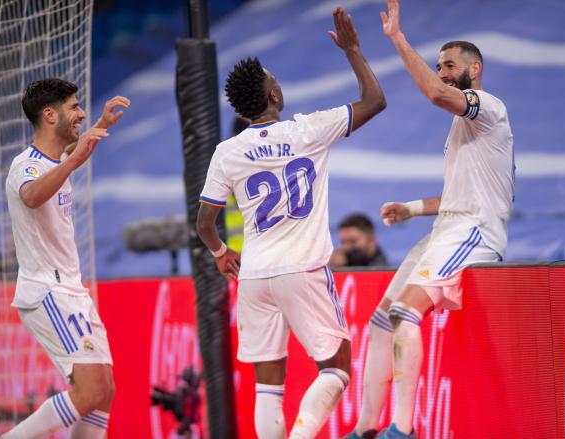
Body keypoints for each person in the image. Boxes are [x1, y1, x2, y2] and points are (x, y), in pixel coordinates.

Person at [196, 7, 386, 439]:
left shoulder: (227, 151)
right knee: (336, 368)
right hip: (301, 267)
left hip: (255, 275)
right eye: (276, 83)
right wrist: (354, 50)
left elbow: (205, 222)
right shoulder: (308, 130)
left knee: (268, 387)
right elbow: (375, 100)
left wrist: (222, 253)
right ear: (275, 97)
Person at [346, 1, 515, 438]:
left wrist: (398, 41)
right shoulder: (462, 129)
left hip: (474, 232)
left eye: (449, 65)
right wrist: (411, 209)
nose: (441, 72)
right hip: (449, 227)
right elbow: (458, 194)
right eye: (438, 65)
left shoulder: (488, 108)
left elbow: (438, 95)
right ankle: (366, 428)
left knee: (404, 312)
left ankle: (402, 430)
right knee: (381, 322)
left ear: (474, 69)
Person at [2, 78, 130, 439]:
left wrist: (102, 125)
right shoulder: (25, 166)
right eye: (74, 107)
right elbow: (31, 196)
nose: (81, 113)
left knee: (104, 391)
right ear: (49, 115)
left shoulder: (55, 160)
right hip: (48, 290)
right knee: (89, 391)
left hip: (72, 291)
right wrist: (73, 161)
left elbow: (73, 151)